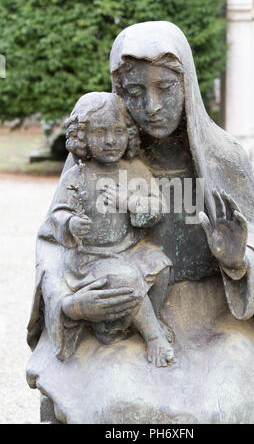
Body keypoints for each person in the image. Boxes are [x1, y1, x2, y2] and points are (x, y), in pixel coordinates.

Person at [27, 22, 254, 424]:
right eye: (134, 92)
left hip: (213, 321)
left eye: (164, 89)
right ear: (118, 94)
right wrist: (71, 305)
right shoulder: (91, 162)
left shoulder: (226, 157)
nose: (151, 106)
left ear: (188, 85)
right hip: (121, 320)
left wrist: (237, 258)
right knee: (117, 406)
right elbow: (53, 243)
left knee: (226, 405)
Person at [49, 91, 173, 366]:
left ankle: (140, 321)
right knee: (126, 278)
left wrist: (128, 201)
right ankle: (152, 336)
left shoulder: (137, 170)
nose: (110, 140)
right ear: (83, 137)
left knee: (161, 266)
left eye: (118, 131)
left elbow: (157, 209)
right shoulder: (78, 175)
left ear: (129, 133)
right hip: (90, 257)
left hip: (128, 250)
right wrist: (71, 223)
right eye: (100, 132)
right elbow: (57, 214)